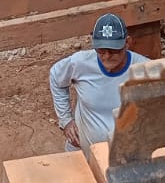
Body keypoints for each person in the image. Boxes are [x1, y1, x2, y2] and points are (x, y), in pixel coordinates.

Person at [49, 13, 149, 152]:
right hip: (84, 153)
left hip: (125, 156)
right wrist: (66, 121)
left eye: (113, 50)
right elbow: (55, 77)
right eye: (101, 51)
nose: (106, 56)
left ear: (127, 43)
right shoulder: (80, 63)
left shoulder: (144, 69)